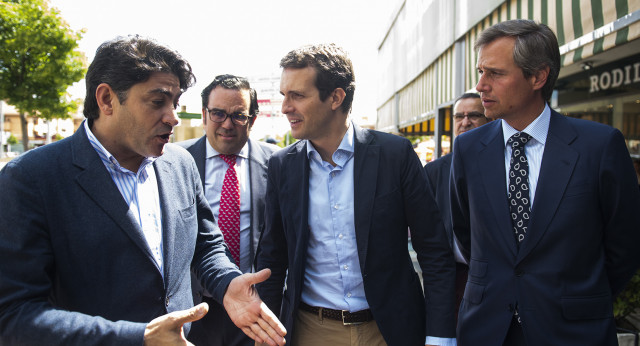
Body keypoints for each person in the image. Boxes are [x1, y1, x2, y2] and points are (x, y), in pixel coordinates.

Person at [0, 36, 286, 346]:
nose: (173, 117)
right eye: (157, 101)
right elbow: (15, 315)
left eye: (174, 103)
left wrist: (227, 282)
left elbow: (205, 246)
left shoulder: (179, 164)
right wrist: (139, 338)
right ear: (107, 99)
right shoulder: (31, 179)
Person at [450, 19, 640, 345]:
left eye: (494, 73)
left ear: (538, 76)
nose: (481, 85)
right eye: (480, 72)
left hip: (574, 332)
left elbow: (625, 245)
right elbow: (466, 235)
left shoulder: (599, 146)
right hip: (488, 330)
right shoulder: (468, 148)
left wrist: (576, 296)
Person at [255, 43, 456, 346]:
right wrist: (264, 334)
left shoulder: (395, 155)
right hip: (311, 331)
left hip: (390, 331)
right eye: (284, 95)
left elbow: (434, 251)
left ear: (335, 97)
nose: (285, 107)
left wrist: (440, 336)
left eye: (297, 95)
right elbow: (273, 256)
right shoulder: (283, 165)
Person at [177, 74, 279, 346]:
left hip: (255, 307)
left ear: (253, 120)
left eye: (238, 116)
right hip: (193, 308)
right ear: (204, 115)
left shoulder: (278, 163)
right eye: (218, 114)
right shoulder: (174, 161)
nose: (227, 124)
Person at [424, 93, 488, 322]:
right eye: (459, 116)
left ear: (489, 119)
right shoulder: (434, 172)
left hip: (495, 282)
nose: (465, 121)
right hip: (452, 282)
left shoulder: (502, 166)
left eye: (474, 115)